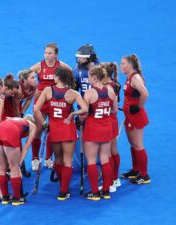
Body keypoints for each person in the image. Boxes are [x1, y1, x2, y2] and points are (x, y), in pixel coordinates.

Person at [34, 66, 88, 200]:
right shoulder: (73, 93)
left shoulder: (47, 90)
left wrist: (44, 123)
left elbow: (36, 109)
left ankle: (61, 183)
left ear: (57, 77)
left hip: (54, 129)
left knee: (58, 159)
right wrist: (73, 114)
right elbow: (85, 109)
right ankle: (64, 191)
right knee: (68, 161)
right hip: (67, 129)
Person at [30, 43, 71, 170]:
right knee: (38, 130)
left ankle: (48, 158)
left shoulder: (62, 67)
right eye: (45, 53)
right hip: (41, 101)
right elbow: (26, 78)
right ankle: (35, 158)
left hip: (55, 102)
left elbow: (71, 80)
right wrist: (34, 89)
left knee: (53, 130)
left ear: (56, 55)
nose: (47, 56)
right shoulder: (39, 66)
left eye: (50, 53)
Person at [80, 65, 118, 201]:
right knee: (105, 158)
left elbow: (84, 114)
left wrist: (80, 119)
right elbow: (114, 110)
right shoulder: (111, 90)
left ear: (94, 77)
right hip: (106, 127)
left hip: (92, 129)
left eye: (89, 76)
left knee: (91, 160)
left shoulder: (89, 93)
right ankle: (106, 190)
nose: (88, 78)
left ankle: (95, 192)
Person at [0, 116, 36, 206]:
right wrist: (19, 162)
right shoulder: (33, 126)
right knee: (14, 168)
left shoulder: (14, 120)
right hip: (10, 132)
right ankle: (16, 198)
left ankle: (5, 198)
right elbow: (26, 146)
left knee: (1, 167)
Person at [120, 54, 150, 184]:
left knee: (138, 144)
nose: (121, 66)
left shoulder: (135, 78)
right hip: (129, 115)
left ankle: (144, 175)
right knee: (132, 143)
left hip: (136, 116)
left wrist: (139, 107)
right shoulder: (129, 77)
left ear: (130, 65)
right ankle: (136, 169)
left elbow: (145, 93)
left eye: (123, 63)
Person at [102, 62, 122, 192]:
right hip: (112, 119)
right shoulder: (114, 84)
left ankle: (110, 182)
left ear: (105, 73)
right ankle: (114, 179)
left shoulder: (108, 87)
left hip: (108, 120)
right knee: (112, 150)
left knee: (109, 151)